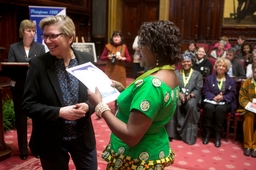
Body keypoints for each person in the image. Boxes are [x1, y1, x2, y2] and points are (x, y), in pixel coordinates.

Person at [88, 20, 183, 169]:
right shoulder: (170, 72)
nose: (137, 48)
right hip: (154, 146)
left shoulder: (151, 84)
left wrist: (100, 106)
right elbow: (153, 106)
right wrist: (125, 90)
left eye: (142, 44)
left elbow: (131, 136)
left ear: (154, 49)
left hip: (135, 157)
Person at [22, 15, 97, 169]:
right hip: (51, 140)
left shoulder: (86, 60)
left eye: (53, 36)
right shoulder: (38, 65)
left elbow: (97, 96)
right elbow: (28, 105)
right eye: (45, 36)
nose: (47, 41)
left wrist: (88, 106)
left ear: (70, 38)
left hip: (82, 137)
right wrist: (59, 112)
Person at [8, 19, 45, 160]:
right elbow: (10, 67)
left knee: (37, 120)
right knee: (21, 120)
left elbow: (41, 68)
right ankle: (23, 150)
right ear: (22, 31)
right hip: (19, 88)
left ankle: (34, 147)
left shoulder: (40, 48)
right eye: (29, 30)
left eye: (33, 31)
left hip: (36, 89)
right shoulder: (13, 47)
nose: (32, 33)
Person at [166, 53, 203, 145]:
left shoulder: (197, 74)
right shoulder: (176, 73)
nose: (186, 63)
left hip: (192, 97)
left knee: (191, 105)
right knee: (174, 103)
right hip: (179, 95)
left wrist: (190, 96)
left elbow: (198, 88)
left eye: (188, 61)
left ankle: (189, 136)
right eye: (184, 61)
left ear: (192, 63)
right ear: (181, 63)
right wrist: (179, 94)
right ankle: (171, 133)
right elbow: (173, 86)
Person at [202, 58, 237, 148]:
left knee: (220, 110)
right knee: (209, 108)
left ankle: (218, 136)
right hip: (211, 100)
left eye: (223, 66)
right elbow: (205, 91)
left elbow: (232, 93)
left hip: (225, 102)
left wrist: (223, 97)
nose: (221, 67)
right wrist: (214, 97)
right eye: (219, 65)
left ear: (227, 68)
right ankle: (207, 134)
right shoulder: (209, 78)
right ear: (216, 67)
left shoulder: (231, 81)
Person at [237, 62, 256, 158]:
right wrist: (251, 105)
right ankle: (248, 145)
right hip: (249, 108)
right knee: (249, 117)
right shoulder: (247, 82)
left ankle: (255, 146)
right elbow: (242, 98)